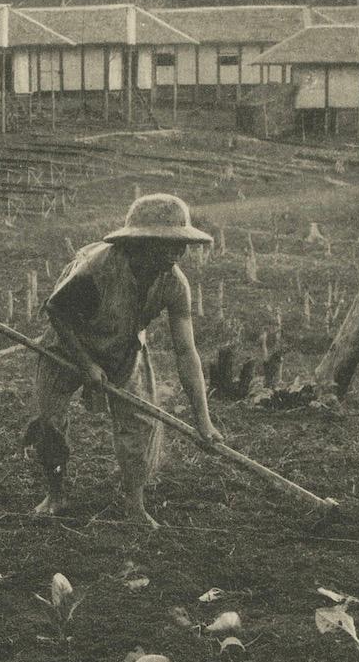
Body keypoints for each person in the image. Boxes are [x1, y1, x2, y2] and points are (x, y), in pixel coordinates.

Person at [26, 193, 221, 528]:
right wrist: (86, 365)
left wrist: (203, 419)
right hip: (67, 345)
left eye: (181, 244)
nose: (178, 253)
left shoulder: (174, 284)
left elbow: (186, 352)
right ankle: (55, 493)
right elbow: (57, 310)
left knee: (139, 425)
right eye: (168, 244)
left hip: (124, 350)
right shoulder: (96, 268)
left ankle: (134, 503)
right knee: (50, 423)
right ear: (143, 242)